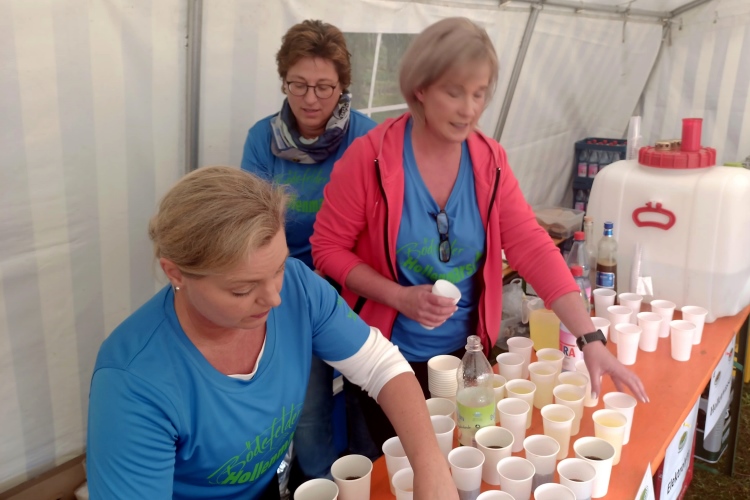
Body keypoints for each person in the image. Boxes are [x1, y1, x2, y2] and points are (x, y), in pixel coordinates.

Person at [310, 17, 649, 446]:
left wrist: (590, 339)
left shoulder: (490, 162)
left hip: (467, 356)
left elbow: (531, 247)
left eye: (479, 93)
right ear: (420, 88)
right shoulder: (370, 159)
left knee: (464, 455)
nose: (469, 109)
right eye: (454, 92)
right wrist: (399, 297)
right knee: (404, 464)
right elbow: (327, 249)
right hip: (386, 359)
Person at [86, 166, 458, 500]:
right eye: (242, 289)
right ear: (176, 273)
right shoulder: (133, 380)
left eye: (278, 267)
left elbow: (380, 366)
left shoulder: (298, 287)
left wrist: (431, 468)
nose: (275, 298)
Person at [240, 20, 378, 484]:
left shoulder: (367, 138)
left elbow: (382, 225)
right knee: (309, 404)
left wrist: (341, 273)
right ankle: (321, 483)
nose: (311, 98)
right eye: (298, 84)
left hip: (355, 285)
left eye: (324, 87)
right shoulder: (262, 139)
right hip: (288, 290)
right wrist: (292, 280)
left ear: (342, 87)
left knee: (365, 391)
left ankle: (368, 477)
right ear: (284, 81)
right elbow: (253, 223)